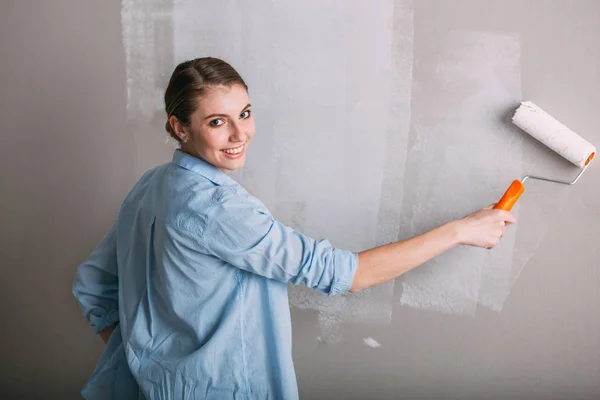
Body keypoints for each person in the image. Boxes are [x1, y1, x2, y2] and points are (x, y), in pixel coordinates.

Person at [73, 57, 516, 399]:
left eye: (244, 113)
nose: (239, 134)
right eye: (216, 122)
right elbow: (346, 275)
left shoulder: (153, 184)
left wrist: (152, 363)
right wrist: (461, 231)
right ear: (178, 127)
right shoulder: (219, 209)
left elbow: (93, 285)